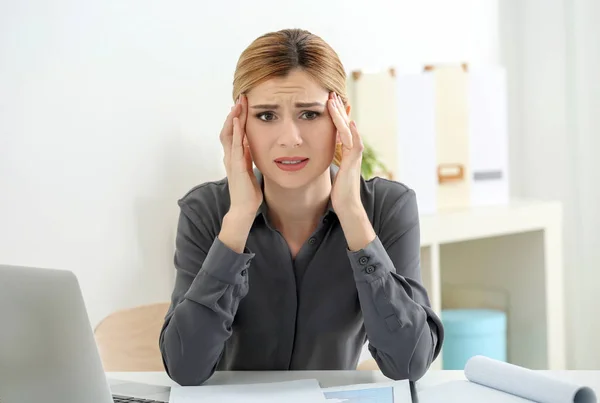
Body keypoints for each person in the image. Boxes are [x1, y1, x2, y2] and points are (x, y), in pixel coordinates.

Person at [159, 28, 444, 386]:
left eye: (309, 114)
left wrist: (354, 217)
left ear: (341, 118)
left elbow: (408, 362)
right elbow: (185, 368)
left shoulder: (386, 208)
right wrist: (239, 220)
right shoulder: (207, 211)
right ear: (239, 124)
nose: (290, 138)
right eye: (265, 116)